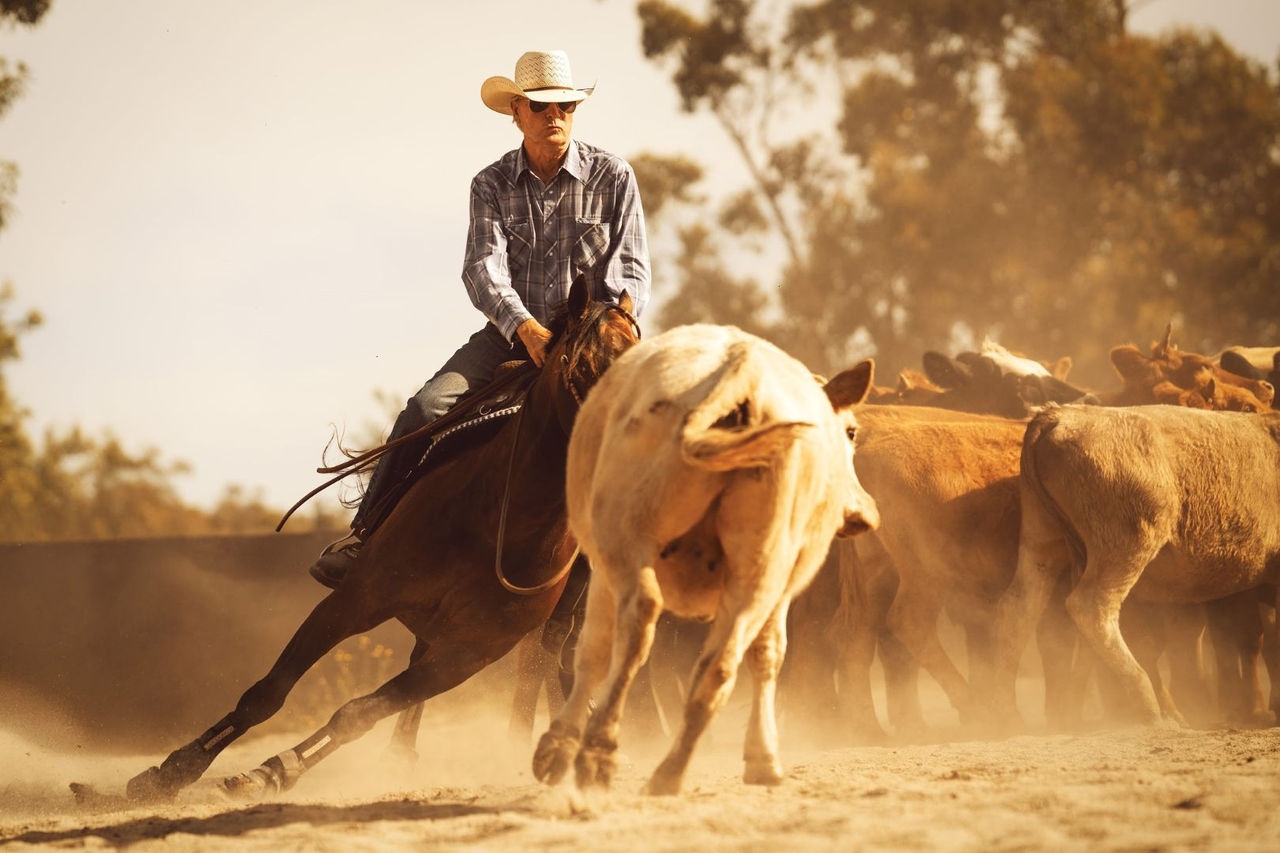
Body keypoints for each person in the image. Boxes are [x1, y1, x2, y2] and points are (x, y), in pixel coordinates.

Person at [309, 49, 651, 586]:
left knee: (648, 425)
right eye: (541, 106)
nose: (555, 115)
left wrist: (596, 331)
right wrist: (524, 327)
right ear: (516, 111)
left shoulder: (613, 175)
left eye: (565, 105)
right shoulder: (490, 183)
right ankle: (365, 536)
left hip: (590, 345)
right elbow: (481, 269)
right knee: (425, 409)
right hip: (510, 338)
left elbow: (629, 271)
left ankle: (643, 555)